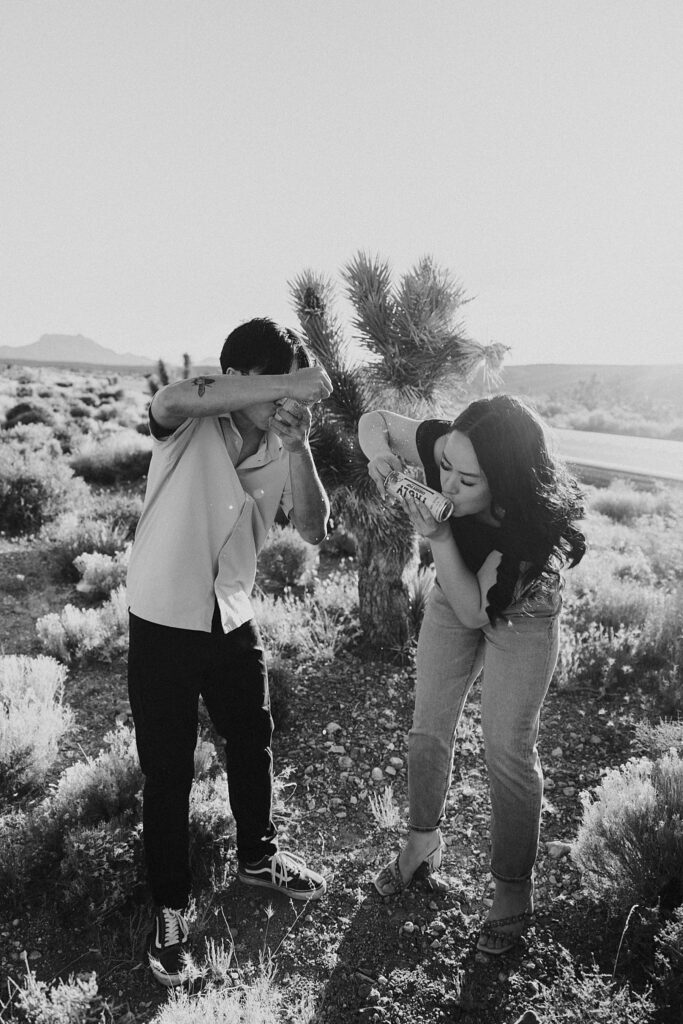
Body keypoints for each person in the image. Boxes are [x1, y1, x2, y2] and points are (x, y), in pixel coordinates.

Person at [126, 318, 333, 987]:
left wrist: (299, 446)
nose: (286, 403)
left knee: (252, 738)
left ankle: (257, 857)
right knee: (169, 771)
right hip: (162, 617)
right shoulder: (188, 422)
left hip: (231, 614)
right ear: (243, 377)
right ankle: (170, 910)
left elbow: (313, 527)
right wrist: (290, 383)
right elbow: (172, 399)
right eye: (276, 388)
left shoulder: (280, 444)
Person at [357, 395, 585, 955]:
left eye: (468, 480)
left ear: (504, 483)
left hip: (520, 608)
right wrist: (379, 456)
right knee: (427, 723)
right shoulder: (448, 444)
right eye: (445, 468)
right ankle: (421, 843)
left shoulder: (530, 532)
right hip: (454, 590)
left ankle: (513, 889)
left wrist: (436, 538)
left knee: (507, 747)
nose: (447, 486)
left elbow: (474, 610)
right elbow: (377, 421)